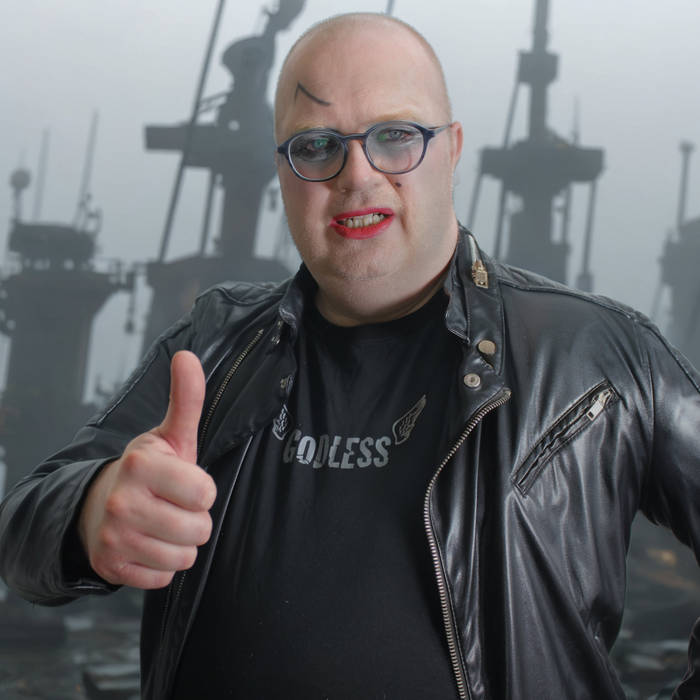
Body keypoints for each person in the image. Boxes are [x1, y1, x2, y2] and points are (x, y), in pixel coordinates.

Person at [1, 11, 699, 700]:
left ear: (453, 149)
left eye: (396, 136)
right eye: (316, 146)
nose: (357, 176)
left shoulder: (599, 358)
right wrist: (91, 511)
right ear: (283, 171)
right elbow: (22, 529)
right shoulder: (213, 346)